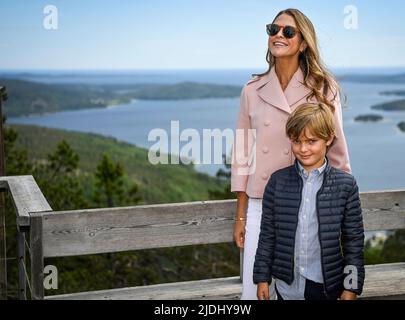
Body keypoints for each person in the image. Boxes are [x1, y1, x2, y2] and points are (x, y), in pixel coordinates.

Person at [231, 8, 351, 300]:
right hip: (261, 204)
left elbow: (336, 149)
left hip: (310, 202)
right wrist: (241, 216)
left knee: (304, 290)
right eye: (273, 29)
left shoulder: (323, 88)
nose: (278, 36)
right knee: (253, 291)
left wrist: (342, 203)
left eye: (288, 31)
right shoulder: (251, 89)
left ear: (304, 42)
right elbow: (242, 153)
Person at [253, 102, 365, 300]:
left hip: (325, 287)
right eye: (296, 141)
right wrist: (262, 278)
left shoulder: (346, 185)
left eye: (311, 141)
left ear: (329, 138)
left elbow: (353, 241)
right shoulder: (277, 182)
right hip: (286, 287)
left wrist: (351, 287)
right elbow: (267, 235)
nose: (303, 149)